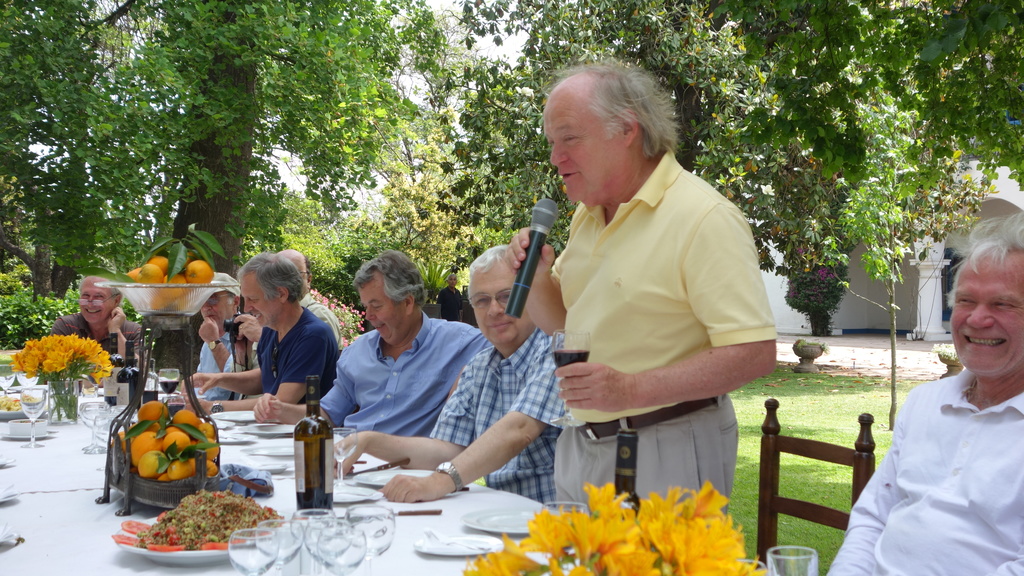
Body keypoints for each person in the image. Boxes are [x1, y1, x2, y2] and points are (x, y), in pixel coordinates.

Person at [508, 60, 777, 502]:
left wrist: (630, 389)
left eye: (570, 138)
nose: (556, 158)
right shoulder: (586, 216)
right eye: (552, 143)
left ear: (626, 130)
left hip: (665, 446)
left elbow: (753, 353)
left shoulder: (703, 217)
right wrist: (536, 278)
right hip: (581, 445)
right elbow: (565, 325)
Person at [829, 213, 1024, 576]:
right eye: (966, 301)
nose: (977, 319)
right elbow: (873, 516)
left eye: (1002, 304)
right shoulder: (924, 403)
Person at [339, 247, 563, 503]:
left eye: (506, 296)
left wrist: (440, 481)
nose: (494, 310)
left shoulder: (556, 350)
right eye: (482, 300)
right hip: (493, 516)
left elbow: (520, 430)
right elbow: (445, 449)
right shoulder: (480, 366)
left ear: (531, 297)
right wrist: (368, 440)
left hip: (553, 521)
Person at [255, 250, 487, 436]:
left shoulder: (461, 343)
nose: (368, 315)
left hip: (410, 474)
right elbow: (327, 414)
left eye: (376, 306)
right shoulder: (358, 352)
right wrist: (280, 409)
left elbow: (513, 337)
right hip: (350, 464)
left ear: (407, 303)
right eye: (365, 306)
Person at [192, 252, 337, 414]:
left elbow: (280, 403)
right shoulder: (270, 328)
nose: (246, 309)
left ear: (282, 294)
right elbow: (264, 378)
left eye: (253, 299)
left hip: (302, 434)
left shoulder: (313, 335)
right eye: (245, 299)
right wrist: (215, 379)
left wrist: (212, 407)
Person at [52, 276, 141, 357]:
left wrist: (115, 332)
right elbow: (53, 366)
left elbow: (142, 370)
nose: (90, 304)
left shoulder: (133, 331)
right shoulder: (66, 326)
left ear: (116, 300)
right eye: (85, 296)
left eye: (99, 297)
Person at [279, 249, 345, 349]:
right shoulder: (270, 316)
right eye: (279, 275)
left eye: (293, 274)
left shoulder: (319, 316)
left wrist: (262, 337)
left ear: (308, 279)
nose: (285, 281)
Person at [195, 273, 241, 402]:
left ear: (235, 301)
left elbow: (238, 383)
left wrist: (213, 342)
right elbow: (201, 385)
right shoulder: (209, 338)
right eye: (201, 300)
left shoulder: (246, 333)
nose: (205, 307)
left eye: (212, 299)